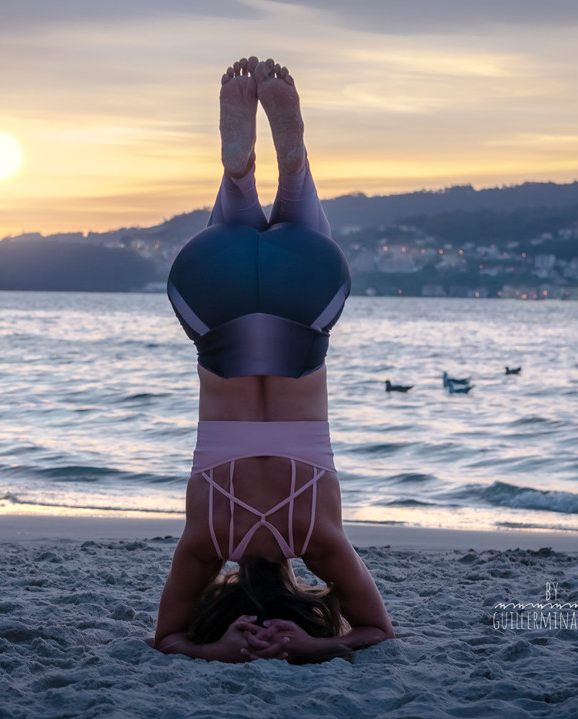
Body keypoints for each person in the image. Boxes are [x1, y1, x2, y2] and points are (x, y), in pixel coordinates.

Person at [154, 57, 393, 663]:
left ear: (299, 589)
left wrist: (315, 645)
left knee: (304, 269)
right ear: (223, 595)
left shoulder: (320, 539)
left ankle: (293, 173)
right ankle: (241, 179)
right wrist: (217, 651)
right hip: (215, 301)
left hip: (304, 303)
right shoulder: (207, 541)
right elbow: (169, 639)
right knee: (229, 283)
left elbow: (377, 631)